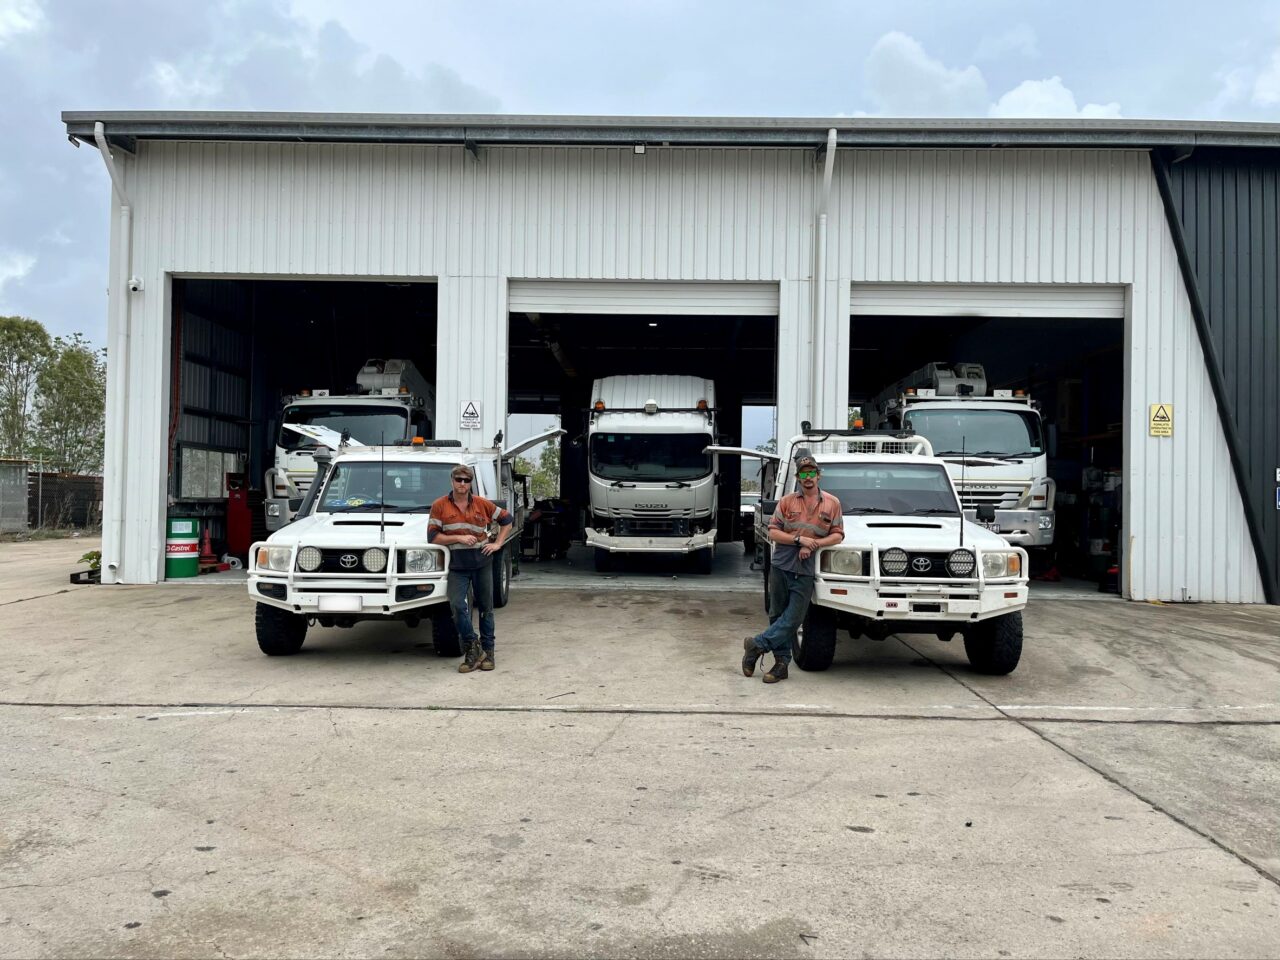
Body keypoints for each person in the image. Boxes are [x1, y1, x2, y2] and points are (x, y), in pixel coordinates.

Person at [742, 453, 844, 683]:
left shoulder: (832, 503)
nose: (808, 477)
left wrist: (815, 543)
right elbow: (774, 531)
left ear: (819, 476)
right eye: (804, 474)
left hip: (807, 566)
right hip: (782, 562)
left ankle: (756, 645)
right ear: (798, 477)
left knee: (795, 617)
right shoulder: (787, 501)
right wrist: (800, 540)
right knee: (777, 613)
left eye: (812, 473)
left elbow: (837, 535)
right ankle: (781, 665)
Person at [428, 463, 513, 673]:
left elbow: (507, 520)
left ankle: (488, 653)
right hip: (457, 565)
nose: (462, 484)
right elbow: (432, 537)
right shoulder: (439, 505)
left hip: (482, 562)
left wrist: (497, 544)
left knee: (486, 609)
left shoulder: (482, 504)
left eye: (466, 481)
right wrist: (458, 537)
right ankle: (473, 647)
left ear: (470, 483)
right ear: (452, 481)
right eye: (459, 480)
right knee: (457, 607)